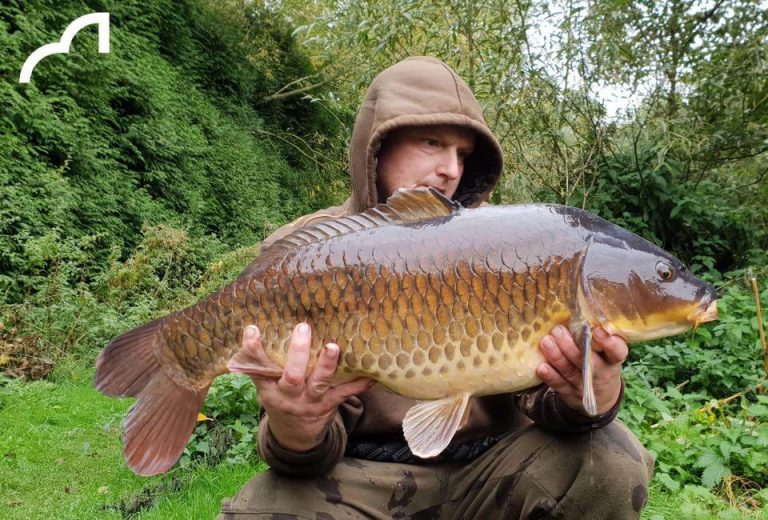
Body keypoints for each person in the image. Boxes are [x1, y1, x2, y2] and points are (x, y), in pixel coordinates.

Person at [218, 56, 653, 519]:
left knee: (609, 459)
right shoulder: (314, 256)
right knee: (260, 511)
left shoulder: (514, 246)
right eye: (432, 143)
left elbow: (547, 408)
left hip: (494, 473)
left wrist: (593, 396)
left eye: (463, 154)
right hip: (362, 479)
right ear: (376, 147)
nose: (451, 169)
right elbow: (300, 457)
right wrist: (296, 425)